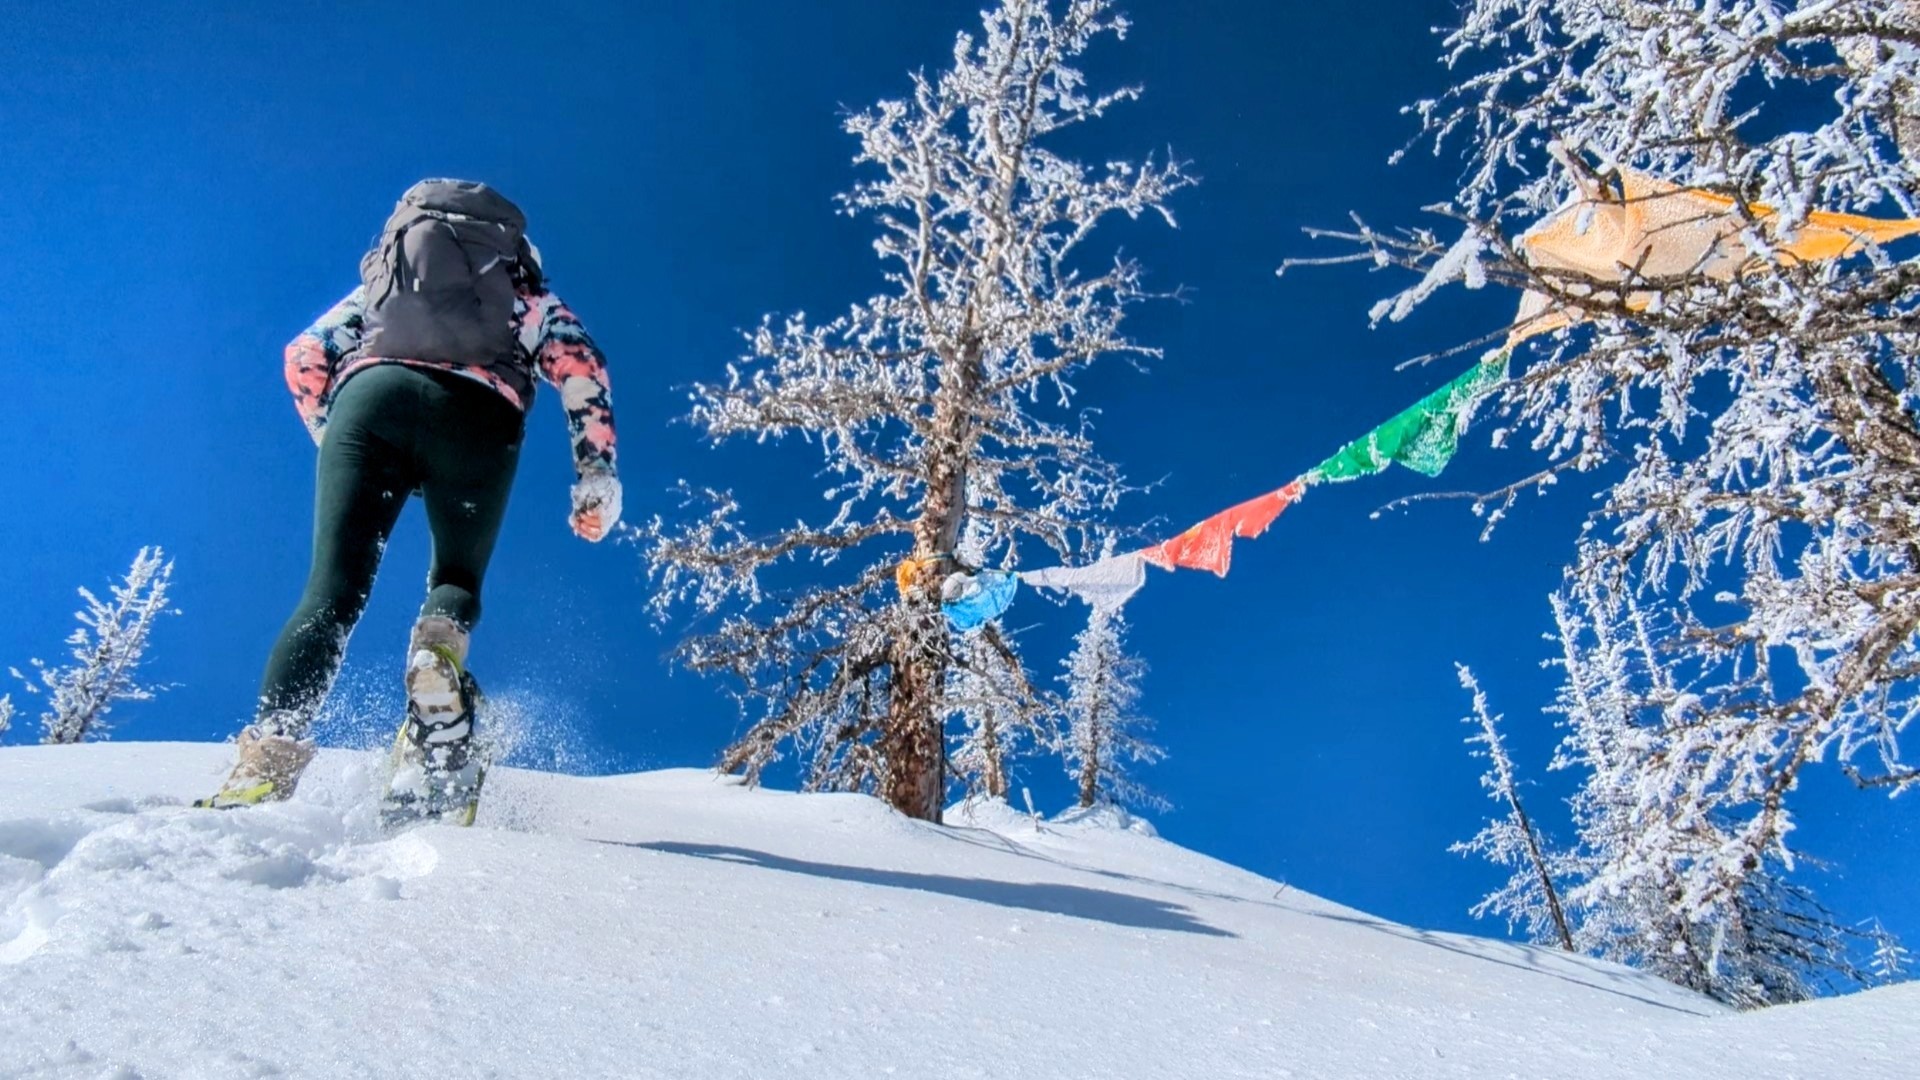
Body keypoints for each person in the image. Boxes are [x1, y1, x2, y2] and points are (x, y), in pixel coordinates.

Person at [200, 179, 620, 811]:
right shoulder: (525, 293)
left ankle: (263, 764)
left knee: (330, 593)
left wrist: (337, 440)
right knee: (455, 577)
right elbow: (581, 364)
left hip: (370, 404)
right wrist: (595, 473)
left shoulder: (386, 282)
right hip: (479, 418)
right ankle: (436, 659)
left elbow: (305, 355)